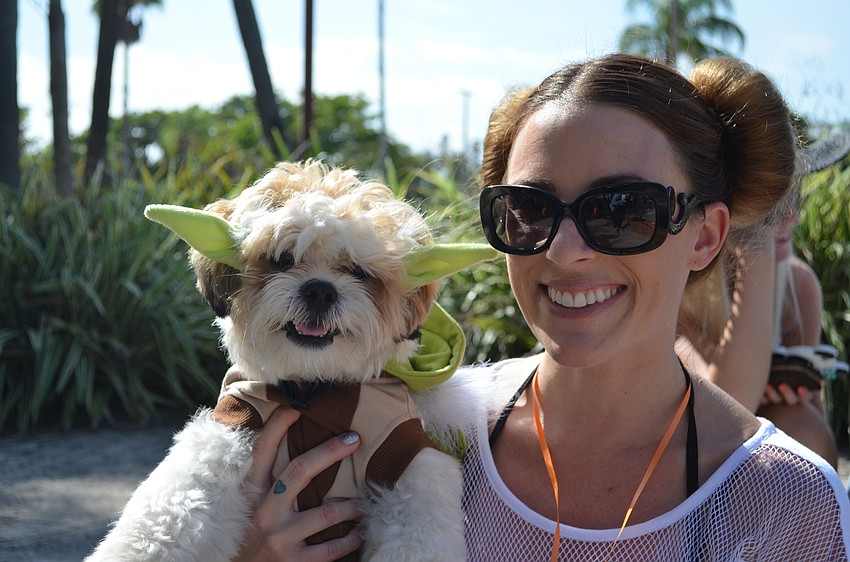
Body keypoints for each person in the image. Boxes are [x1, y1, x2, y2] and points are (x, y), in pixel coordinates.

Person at [236, 54, 850, 561]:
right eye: (529, 210)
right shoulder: (413, 426)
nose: (565, 250)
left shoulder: (787, 506)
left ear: (706, 236)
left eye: (621, 210)